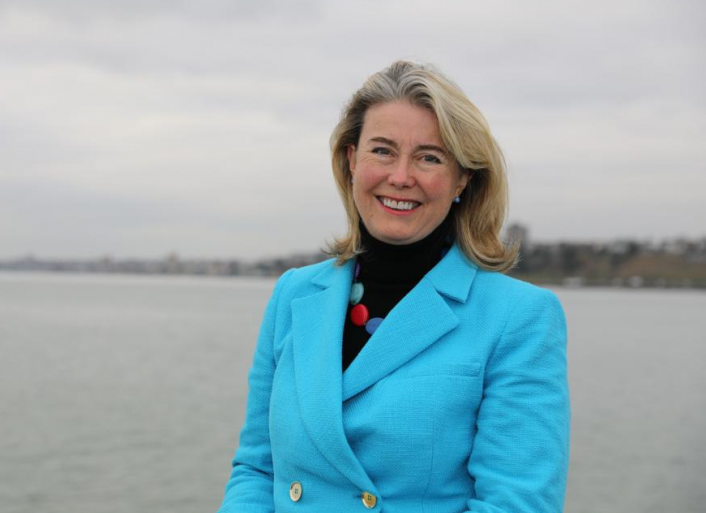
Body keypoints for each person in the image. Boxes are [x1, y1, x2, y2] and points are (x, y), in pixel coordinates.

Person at [217, 60, 570, 513]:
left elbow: (517, 504)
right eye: (382, 151)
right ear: (351, 161)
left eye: (429, 157)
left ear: (463, 177)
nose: (401, 176)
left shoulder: (518, 317)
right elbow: (257, 470)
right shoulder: (294, 294)